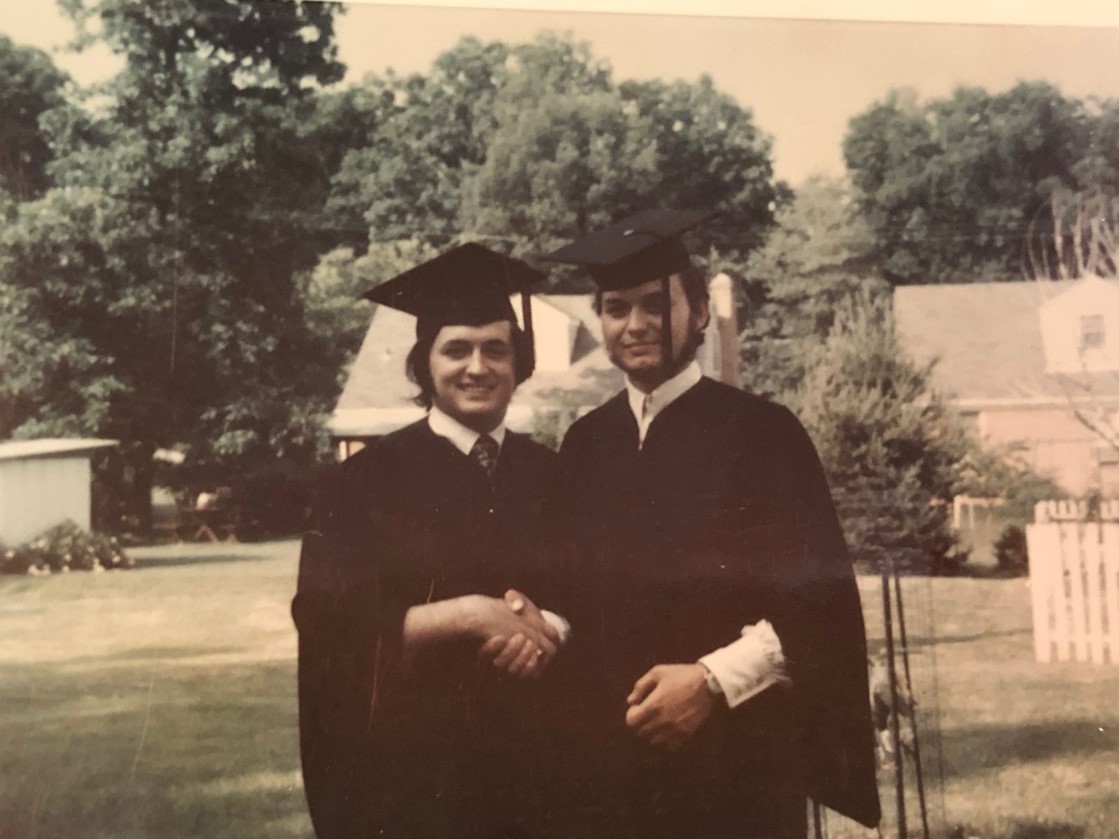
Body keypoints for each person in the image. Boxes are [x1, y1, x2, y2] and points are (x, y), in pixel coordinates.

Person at [547, 210, 881, 838]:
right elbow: (570, 593)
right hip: (610, 775)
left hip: (738, 767)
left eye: (654, 304)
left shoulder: (762, 433)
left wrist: (709, 681)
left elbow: (820, 603)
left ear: (700, 311)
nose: (635, 324)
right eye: (616, 308)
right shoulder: (586, 444)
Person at [292, 243, 570, 839]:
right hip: (412, 787)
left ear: (520, 362)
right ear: (424, 365)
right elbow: (326, 624)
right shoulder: (359, 484)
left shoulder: (555, 476)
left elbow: (594, 592)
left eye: (496, 348)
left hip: (542, 781)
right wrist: (467, 615)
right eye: (456, 350)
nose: (477, 366)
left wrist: (549, 631)